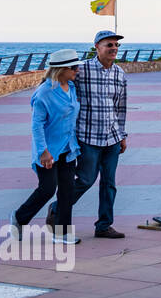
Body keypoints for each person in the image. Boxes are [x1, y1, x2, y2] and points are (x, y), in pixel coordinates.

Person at [55, 30, 129, 239]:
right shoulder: (82, 70)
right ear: (97, 46)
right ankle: (57, 209)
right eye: (109, 45)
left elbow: (121, 107)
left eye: (116, 45)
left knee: (109, 184)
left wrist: (122, 134)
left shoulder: (120, 74)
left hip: (112, 138)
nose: (114, 48)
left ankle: (104, 226)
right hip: (88, 137)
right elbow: (59, 85)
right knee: (85, 180)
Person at [14, 50, 82, 245]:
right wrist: (43, 151)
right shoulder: (44, 93)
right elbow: (36, 125)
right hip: (48, 151)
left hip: (68, 149)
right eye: (74, 67)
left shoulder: (71, 87)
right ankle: (19, 218)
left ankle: (61, 233)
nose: (77, 70)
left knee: (67, 191)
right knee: (47, 189)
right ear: (61, 69)